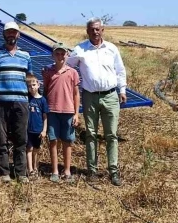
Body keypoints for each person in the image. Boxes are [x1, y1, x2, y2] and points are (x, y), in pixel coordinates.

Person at [67, 18, 127, 186]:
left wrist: (122, 90)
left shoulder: (112, 49)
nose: (95, 32)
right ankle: (91, 170)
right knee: (91, 134)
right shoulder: (80, 49)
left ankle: (113, 171)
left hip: (110, 96)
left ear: (103, 30)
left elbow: (120, 70)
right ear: (87, 31)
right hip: (90, 96)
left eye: (98, 29)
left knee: (111, 135)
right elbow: (67, 65)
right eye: (92, 29)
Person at [0, 21, 33, 183]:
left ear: (18, 35)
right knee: (1, 138)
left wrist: (32, 99)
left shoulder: (26, 55)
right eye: (8, 32)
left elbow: (30, 78)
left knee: (21, 138)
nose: (11, 35)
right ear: (4, 34)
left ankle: (21, 173)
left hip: (21, 102)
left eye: (14, 32)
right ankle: (4, 172)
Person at [42, 43, 80, 183]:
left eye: (62, 53)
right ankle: (55, 171)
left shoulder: (72, 72)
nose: (60, 56)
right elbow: (45, 91)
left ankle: (67, 170)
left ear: (67, 55)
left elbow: (76, 94)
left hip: (68, 111)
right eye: (57, 53)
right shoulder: (48, 72)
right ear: (53, 55)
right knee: (53, 141)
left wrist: (76, 113)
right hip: (52, 111)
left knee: (67, 141)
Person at [25, 74, 48, 178]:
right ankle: (30, 170)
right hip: (28, 130)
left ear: (38, 85)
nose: (32, 87)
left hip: (38, 130)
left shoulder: (42, 100)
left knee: (36, 150)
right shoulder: (27, 99)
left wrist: (44, 130)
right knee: (29, 149)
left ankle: (35, 167)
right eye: (29, 85)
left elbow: (45, 117)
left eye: (34, 84)